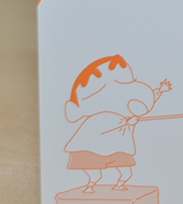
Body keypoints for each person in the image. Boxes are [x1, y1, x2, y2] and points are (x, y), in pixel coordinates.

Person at [64, 55, 170, 192]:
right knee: (96, 174)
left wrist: (160, 91)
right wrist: (127, 122)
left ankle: (118, 185)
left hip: (119, 148)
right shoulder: (100, 117)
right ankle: (90, 186)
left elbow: (144, 101)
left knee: (127, 173)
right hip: (92, 149)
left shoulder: (127, 110)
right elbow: (108, 125)